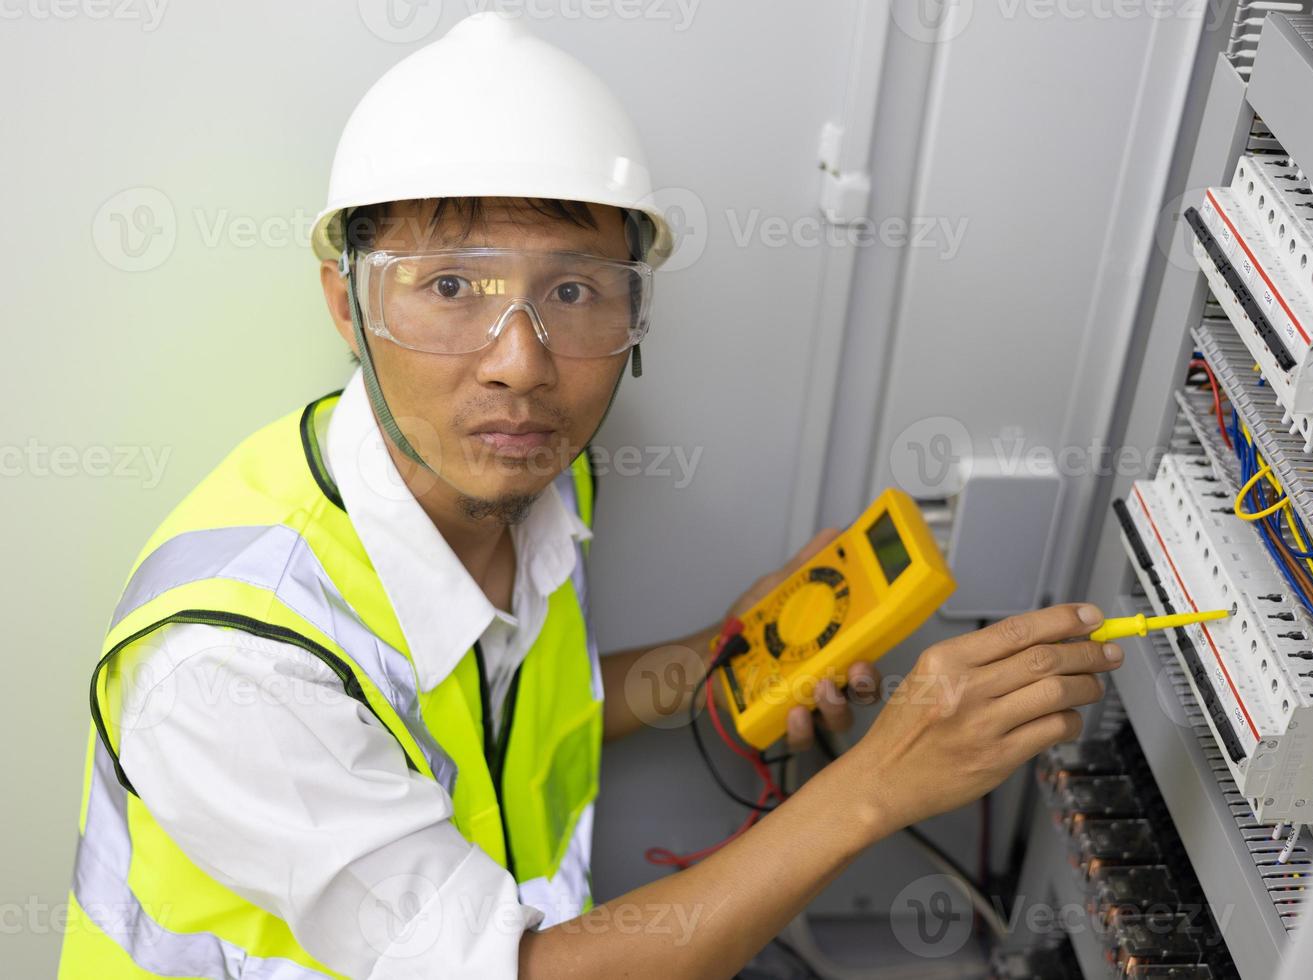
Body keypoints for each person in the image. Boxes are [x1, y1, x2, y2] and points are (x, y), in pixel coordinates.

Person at [59, 12, 1120, 978]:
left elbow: (505, 713)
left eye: (571, 292)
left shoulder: (530, 476)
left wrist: (711, 658)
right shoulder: (229, 668)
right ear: (349, 301)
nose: (520, 361)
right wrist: (878, 783)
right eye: (450, 287)